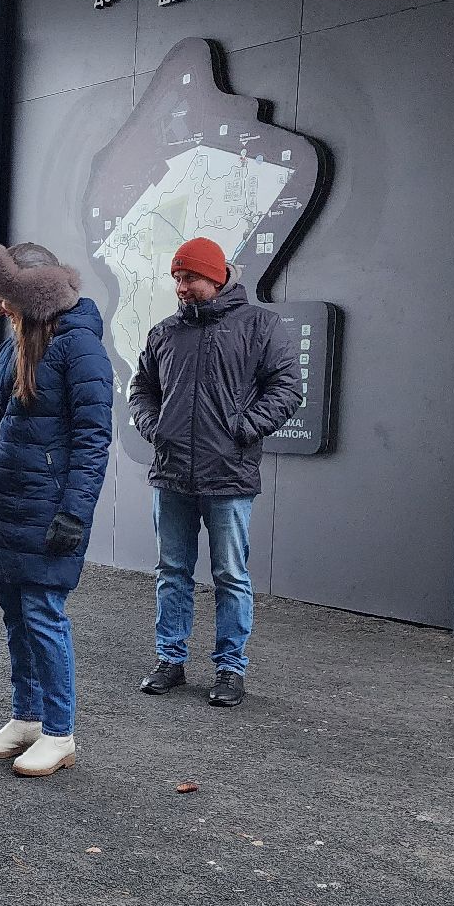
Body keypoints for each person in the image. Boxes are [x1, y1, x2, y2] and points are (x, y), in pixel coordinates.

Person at [0, 242, 112, 777]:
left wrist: (75, 513)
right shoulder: (14, 347)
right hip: (9, 504)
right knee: (17, 617)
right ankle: (27, 719)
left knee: (43, 615)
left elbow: (93, 438)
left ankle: (59, 732)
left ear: (31, 297)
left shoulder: (80, 348)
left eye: (5, 297)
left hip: (49, 508)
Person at [127, 236, 301, 708]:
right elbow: (141, 387)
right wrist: (153, 425)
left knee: (231, 574)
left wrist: (243, 429)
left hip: (229, 475)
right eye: (177, 278)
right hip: (171, 474)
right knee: (171, 571)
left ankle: (230, 669)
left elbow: (287, 387)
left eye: (191, 278)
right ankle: (170, 660)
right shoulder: (164, 332)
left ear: (217, 276)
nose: (182, 286)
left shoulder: (260, 325)